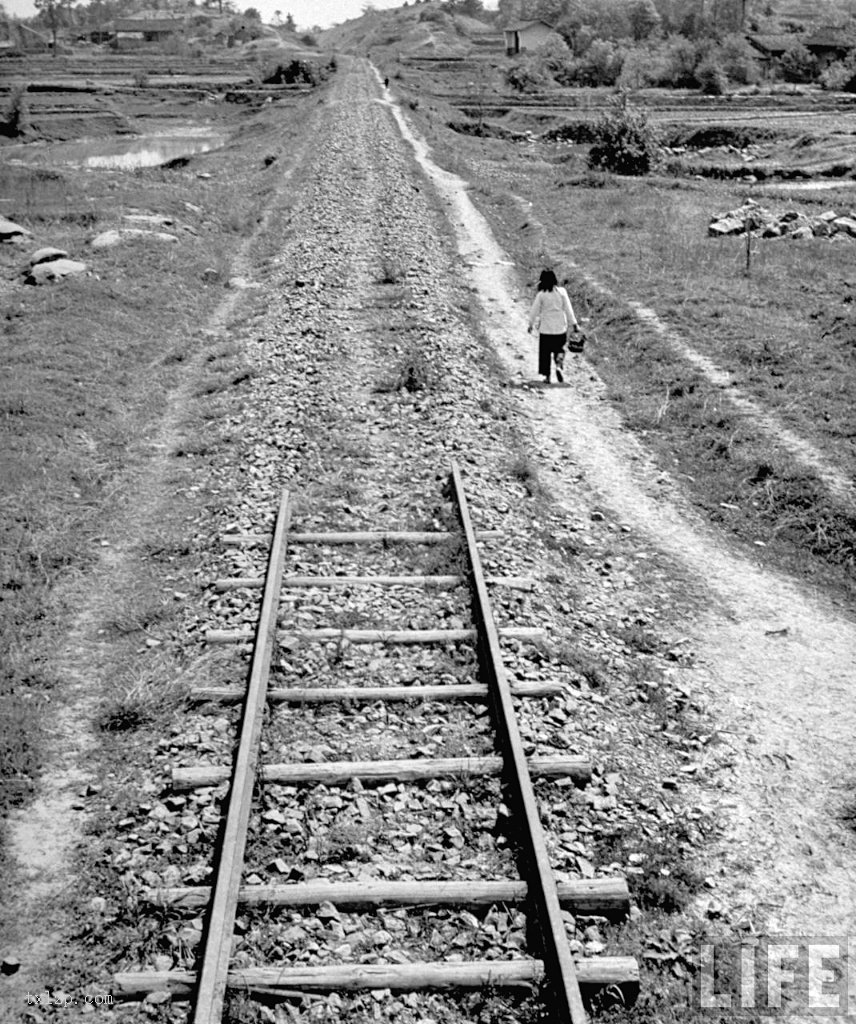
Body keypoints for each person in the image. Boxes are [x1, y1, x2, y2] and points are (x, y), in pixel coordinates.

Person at [527, 269, 580, 385]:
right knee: (559, 349)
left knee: (545, 354)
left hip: (546, 328)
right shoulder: (562, 292)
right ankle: (559, 365)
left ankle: (547, 377)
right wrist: (574, 324)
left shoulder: (541, 295)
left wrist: (530, 324)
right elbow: (568, 308)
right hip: (560, 327)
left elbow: (534, 310)